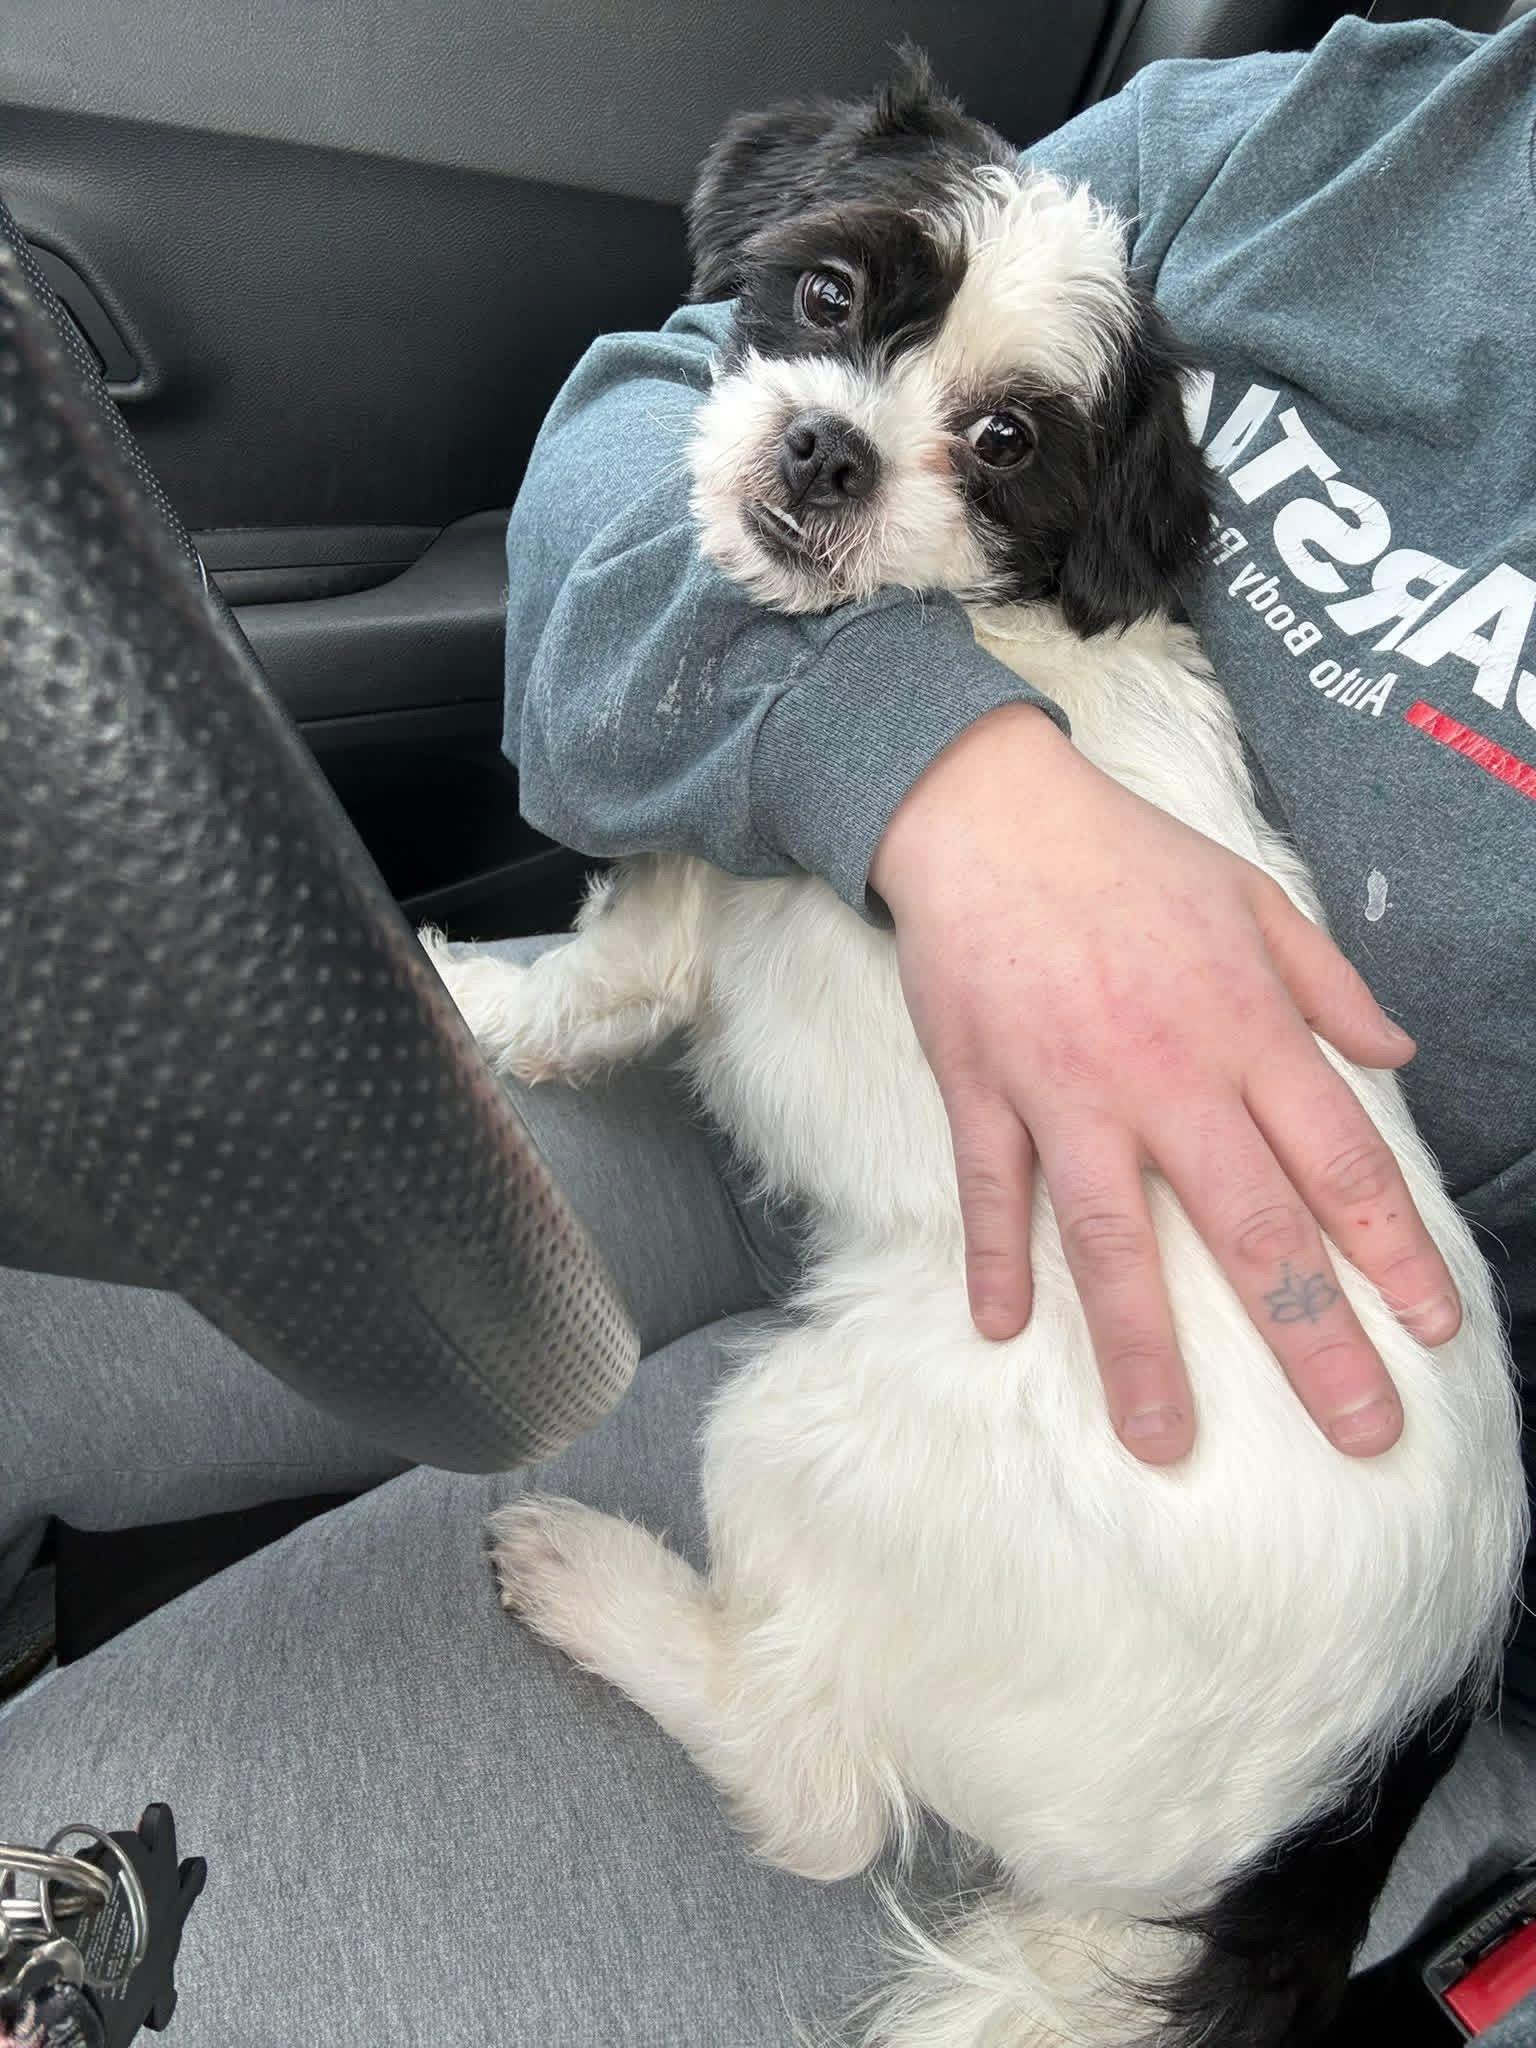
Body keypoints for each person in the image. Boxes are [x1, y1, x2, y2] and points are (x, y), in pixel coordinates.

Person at [2, 14, 1533, 2045]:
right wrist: (948, 783)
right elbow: (643, 436)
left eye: (994, 442)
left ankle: (783, 1716)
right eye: (837, 321)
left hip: (1157, 1488)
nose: (850, 429)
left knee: (64, 1908)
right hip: (837, 1192)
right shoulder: (1340, 124)